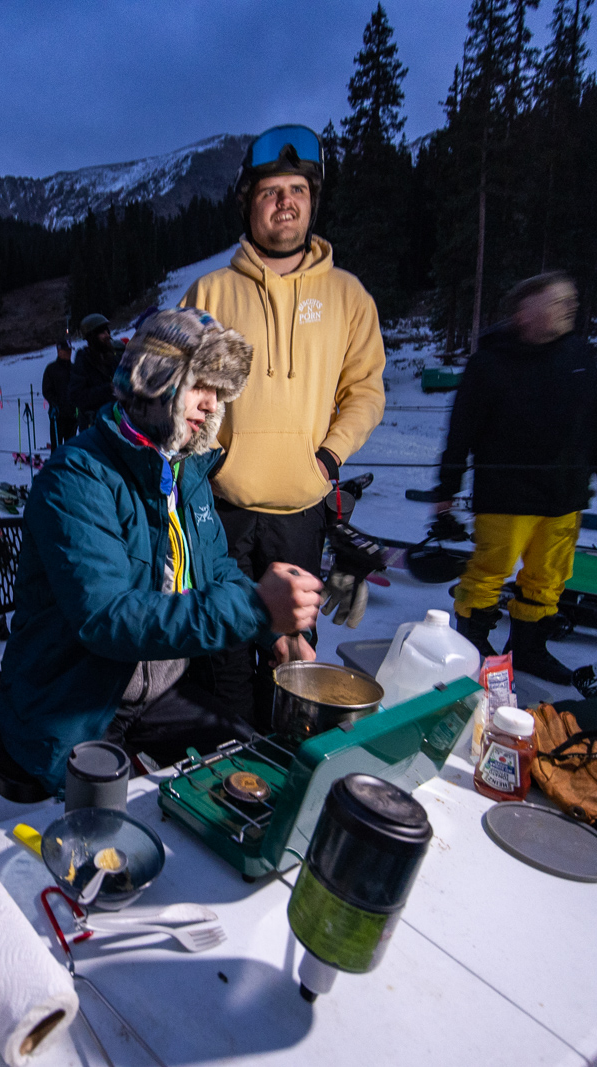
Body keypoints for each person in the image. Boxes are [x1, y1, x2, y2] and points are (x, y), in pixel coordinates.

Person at [0, 308, 324, 789]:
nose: (212, 405)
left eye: (218, 391)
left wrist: (270, 631)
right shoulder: (76, 477)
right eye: (199, 386)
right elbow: (106, 618)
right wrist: (256, 608)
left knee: (250, 770)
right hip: (72, 706)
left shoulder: (185, 470)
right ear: (151, 381)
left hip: (158, 694)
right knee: (136, 829)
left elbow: (218, 570)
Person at [181, 124, 387, 729]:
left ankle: (286, 769)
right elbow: (186, 394)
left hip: (302, 511)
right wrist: (210, 456)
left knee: (291, 654)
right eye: (271, 190)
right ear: (249, 200)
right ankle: (223, 768)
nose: (285, 202)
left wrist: (329, 457)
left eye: (297, 189)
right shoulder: (211, 291)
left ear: (313, 199)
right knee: (219, 650)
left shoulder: (349, 297)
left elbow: (365, 390)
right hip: (222, 509)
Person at [433, 272, 597, 683]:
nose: (569, 308)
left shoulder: (579, 355)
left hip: (565, 495)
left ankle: (529, 649)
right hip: (506, 496)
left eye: (571, 301)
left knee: (548, 578)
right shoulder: (489, 361)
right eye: (557, 302)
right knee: (487, 574)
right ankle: (473, 648)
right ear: (525, 311)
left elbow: (596, 417)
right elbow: (461, 429)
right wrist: (446, 487)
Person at [68, 312, 126, 430]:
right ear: (92, 336)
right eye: (102, 332)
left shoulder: (115, 356)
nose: (107, 335)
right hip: (94, 426)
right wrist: (107, 389)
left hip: (118, 421)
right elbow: (76, 396)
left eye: (107, 331)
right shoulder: (83, 361)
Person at [41, 336, 77, 449]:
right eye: (66, 350)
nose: (69, 353)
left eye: (70, 350)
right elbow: (46, 390)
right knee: (56, 447)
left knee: (70, 446)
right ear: (59, 351)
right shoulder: (51, 369)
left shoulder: (74, 369)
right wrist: (55, 403)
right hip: (57, 416)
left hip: (72, 416)